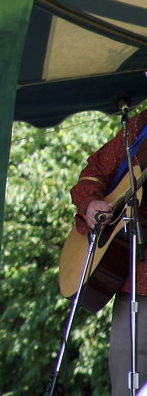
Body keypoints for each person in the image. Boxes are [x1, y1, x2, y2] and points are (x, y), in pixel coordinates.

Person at [70, 103, 147, 396]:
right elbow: (95, 170)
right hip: (136, 281)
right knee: (127, 382)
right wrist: (90, 204)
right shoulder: (139, 126)